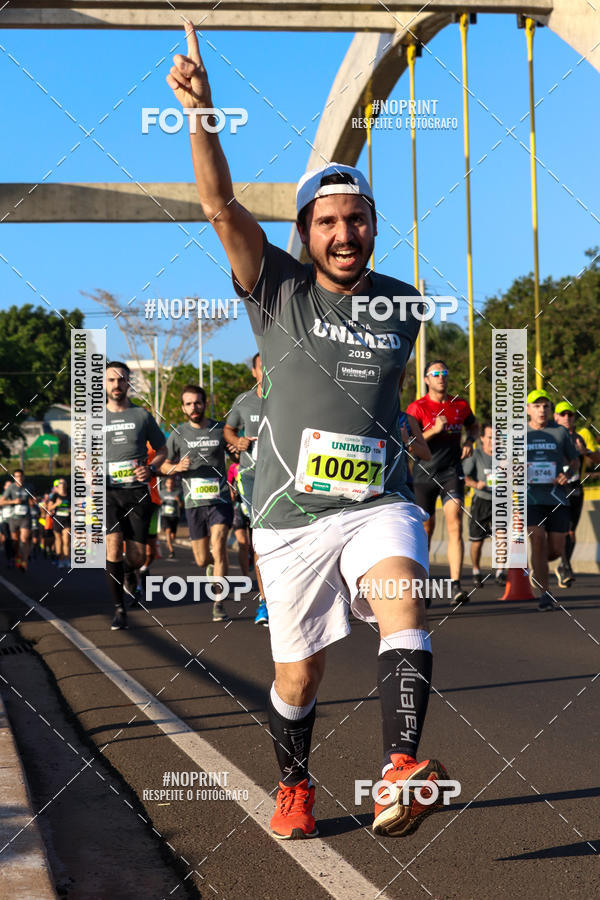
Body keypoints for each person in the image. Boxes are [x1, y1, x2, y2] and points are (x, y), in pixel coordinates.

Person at [167, 25, 448, 841]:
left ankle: (400, 764)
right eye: (328, 221)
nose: (345, 233)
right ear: (305, 231)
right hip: (289, 516)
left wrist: (409, 443)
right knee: (299, 672)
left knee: (404, 604)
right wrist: (202, 114)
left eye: (357, 219)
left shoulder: (404, 305)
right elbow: (220, 208)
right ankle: (294, 785)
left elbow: (382, 402)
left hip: (373, 503)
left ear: (372, 225)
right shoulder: (278, 288)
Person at [406, 362, 478, 606]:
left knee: (455, 519)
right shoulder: (417, 408)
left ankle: (456, 585)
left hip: (450, 472)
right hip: (423, 475)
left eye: (444, 374)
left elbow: (474, 426)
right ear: (427, 379)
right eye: (435, 374)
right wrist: (434, 431)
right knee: (425, 531)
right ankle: (423, 584)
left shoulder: (459, 405)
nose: (441, 378)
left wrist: (470, 441)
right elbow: (409, 443)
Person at [161, 384, 233, 622]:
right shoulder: (178, 433)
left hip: (220, 499)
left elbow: (235, 454)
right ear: (183, 408)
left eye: (198, 402)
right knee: (202, 559)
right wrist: (175, 468)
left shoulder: (219, 429)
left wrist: (237, 450)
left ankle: (219, 602)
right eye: (189, 403)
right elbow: (162, 465)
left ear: (204, 404)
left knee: (219, 545)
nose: (194, 407)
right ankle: (210, 567)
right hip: (193, 505)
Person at [105, 361, 167, 630]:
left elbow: (163, 450)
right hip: (107, 492)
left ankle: (131, 573)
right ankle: (119, 608)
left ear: (129, 383)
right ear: (104, 384)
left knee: (137, 557)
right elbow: (81, 456)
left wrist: (151, 469)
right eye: (111, 380)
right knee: (113, 544)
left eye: (121, 380)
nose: (116, 385)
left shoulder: (141, 416)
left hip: (137, 492)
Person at [224, 352, 268, 626]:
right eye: (263, 366)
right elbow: (228, 431)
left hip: (287, 480)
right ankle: (265, 602)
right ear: (254, 372)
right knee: (262, 542)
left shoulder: (290, 397)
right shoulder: (243, 400)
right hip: (253, 477)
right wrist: (237, 441)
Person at [526, 390, 577, 611]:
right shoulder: (519, 434)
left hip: (557, 497)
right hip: (530, 497)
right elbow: (504, 465)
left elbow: (574, 460)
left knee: (556, 549)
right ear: (528, 409)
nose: (542, 410)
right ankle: (545, 594)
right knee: (537, 538)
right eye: (536, 406)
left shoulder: (560, 433)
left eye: (545, 406)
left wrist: (567, 473)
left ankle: (537, 568)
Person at [552, 402, 600, 587]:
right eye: (562, 414)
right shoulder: (549, 436)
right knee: (560, 530)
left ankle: (564, 567)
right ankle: (563, 566)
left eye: (570, 415)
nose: (566, 418)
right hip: (554, 488)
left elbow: (597, 459)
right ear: (555, 417)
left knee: (570, 531)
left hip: (575, 488)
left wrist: (585, 451)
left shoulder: (580, 437)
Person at [462, 423, 502, 587]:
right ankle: (476, 570)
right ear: (483, 439)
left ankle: (500, 572)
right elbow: (464, 477)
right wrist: (475, 484)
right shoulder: (476, 454)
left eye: (498, 438)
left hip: (500, 502)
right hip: (481, 501)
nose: (495, 441)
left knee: (501, 536)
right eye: (491, 438)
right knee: (477, 541)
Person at [1, 469, 33, 570]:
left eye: (20, 476)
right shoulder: (11, 488)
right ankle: (17, 557)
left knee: (24, 539)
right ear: (14, 477)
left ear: (23, 477)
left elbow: (32, 500)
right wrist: (14, 501)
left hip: (25, 517)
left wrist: (34, 501)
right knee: (15, 541)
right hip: (13, 518)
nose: (19, 478)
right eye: (16, 476)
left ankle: (24, 562)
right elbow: (1, 502)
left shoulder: (29, 487)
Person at [47, 477, 71, 568]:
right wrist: (56, 504)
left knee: (66, 540)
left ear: (66, 485)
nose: (62, 485)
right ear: (58, 486)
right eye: (60, 483)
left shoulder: (69, 495)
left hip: (66, 521)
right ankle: (60, 560)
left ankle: (67, 559)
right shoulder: (55, 496)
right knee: (59, 541)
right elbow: (49, 508)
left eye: (64, 483)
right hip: (57, 520)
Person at [160, 475, 183, 559]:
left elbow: (181, 505)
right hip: (165, 515)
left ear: (174, 484)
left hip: (175, 516)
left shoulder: (178, 492)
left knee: (173, 536)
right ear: (166, 484)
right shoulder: (162, 493)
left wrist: (178, 500)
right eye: (168, 482)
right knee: (168, 531)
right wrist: (160, 502)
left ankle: (169, 543)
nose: (170, 484)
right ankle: (171, 550)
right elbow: (158, 503)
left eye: (172, 483)